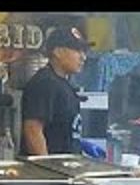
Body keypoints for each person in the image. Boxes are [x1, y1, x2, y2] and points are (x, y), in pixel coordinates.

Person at [20, 26, 90, 156]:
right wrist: (47, 169)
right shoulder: (44, 83)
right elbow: (33, 130)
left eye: (84, 51)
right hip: (52, 171)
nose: (83, 57)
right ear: (57, 51)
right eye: (77, 50)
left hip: (68, 168)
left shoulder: (63, 83)